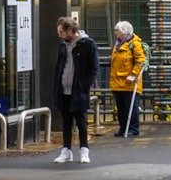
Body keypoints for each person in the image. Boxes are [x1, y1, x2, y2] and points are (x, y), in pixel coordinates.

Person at [52, 16, 99, 164]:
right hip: (63, 88)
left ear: (71, 30)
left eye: (62, 32)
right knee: (66, 121)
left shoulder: (88, 44)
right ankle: (66, 150)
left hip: (78, 89)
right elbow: (59, 65)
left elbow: (94, 68)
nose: (59, 35)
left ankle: (84, 150)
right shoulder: (62, 45)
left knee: (81, 121)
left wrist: (84, 85)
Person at [110, 20, 146, 137]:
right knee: (121, 108)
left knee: (131, 107)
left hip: (129, 83)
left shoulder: (134, 44)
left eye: (117, 31)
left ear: (124, 32)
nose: (116, 33)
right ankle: (123, 128)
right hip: (118, 82)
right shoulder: (117, 44)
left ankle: (133, 129)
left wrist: (133, 74)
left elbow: (140, 61)